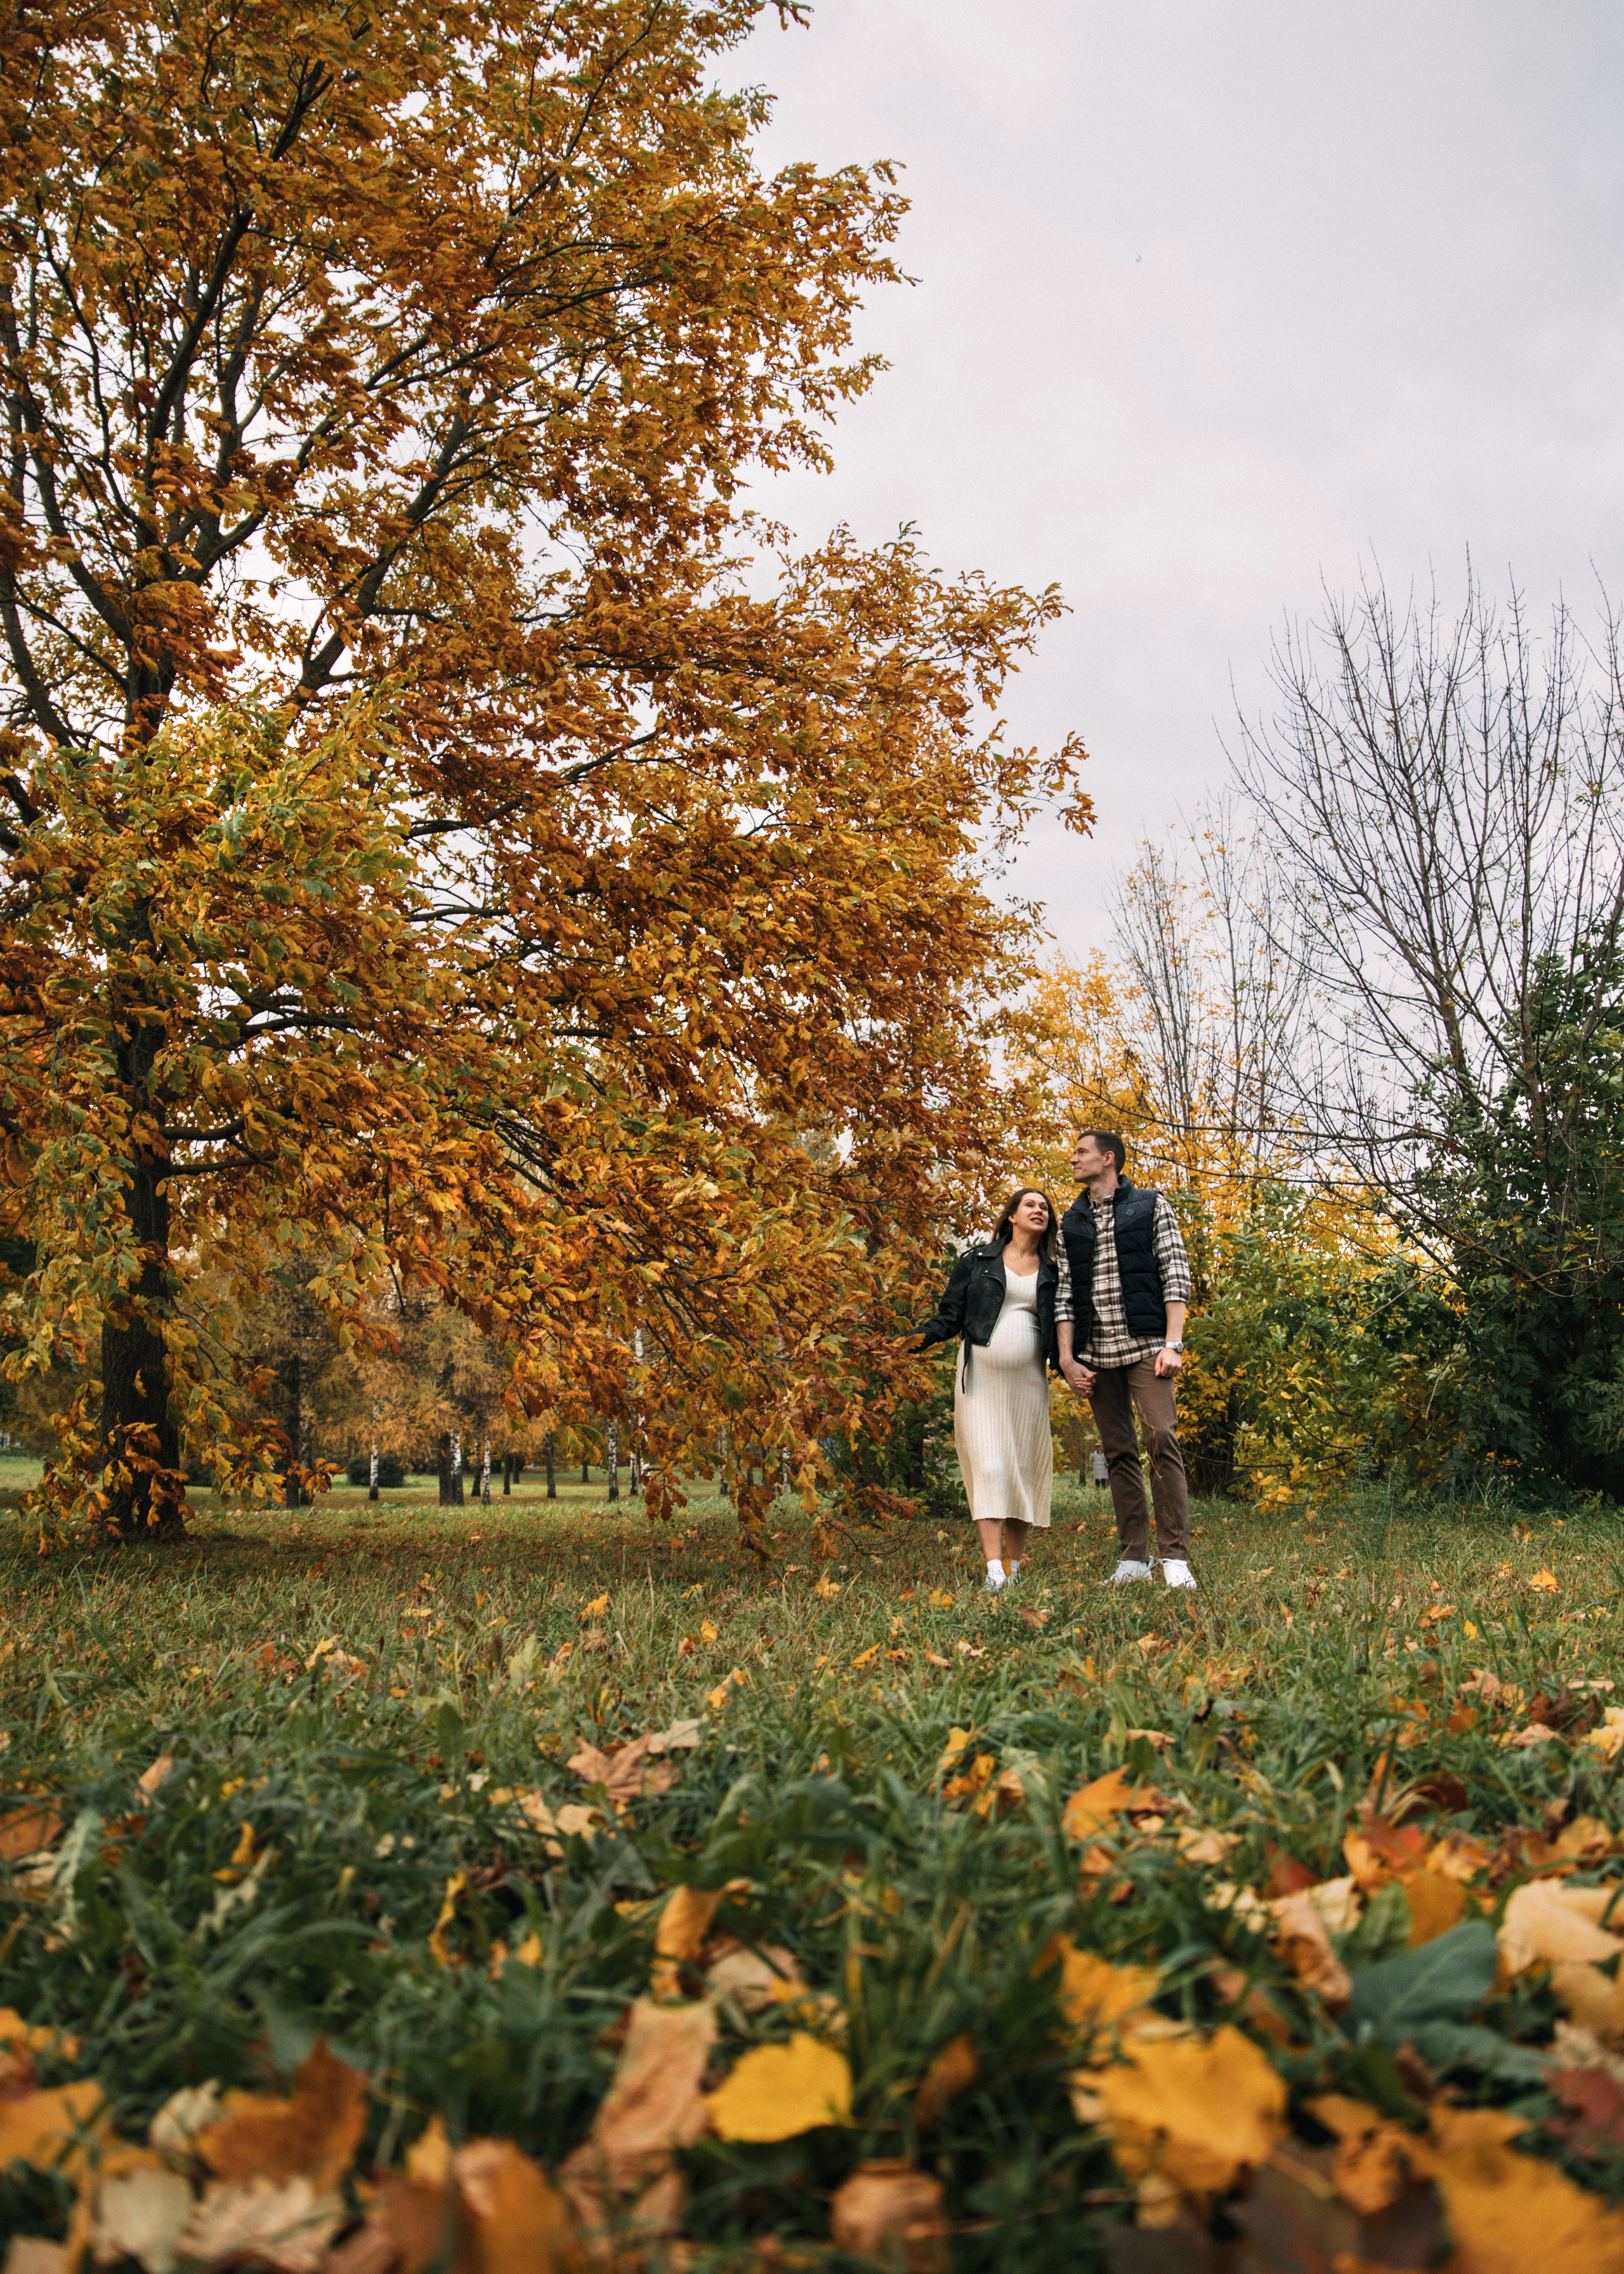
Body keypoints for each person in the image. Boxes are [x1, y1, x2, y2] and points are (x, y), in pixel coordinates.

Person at [1054, 1130, 1197, 1590]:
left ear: (1108, 1159)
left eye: (1082, 1151)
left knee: (1161, 1438)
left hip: (1146, 1346)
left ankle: (1175, 1557)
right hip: (1097, 1354)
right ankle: (1135, 1557)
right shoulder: (1070, 1222)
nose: (1073, 1158)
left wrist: (1173, 1344)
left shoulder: (1151, 1205)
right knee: (1118, 1453)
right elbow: (1063, 1298)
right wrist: (1067, 1361)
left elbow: (1175, 1271)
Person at [914, 1188, 1060, 1591]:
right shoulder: (978, 1261)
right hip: (981, 1381)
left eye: (1044, 1207)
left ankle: (1014, 1567)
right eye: (1030, 1204)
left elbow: (1066, 1326)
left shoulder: (1054, 1270)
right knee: (990, 1466)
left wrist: (1072, 1366)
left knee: (1021, 1470)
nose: (1039, 1210)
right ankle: (993, 1569)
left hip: (1029, 1383)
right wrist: (916, 1340)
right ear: (1011, 1215)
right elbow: (950, 1316)